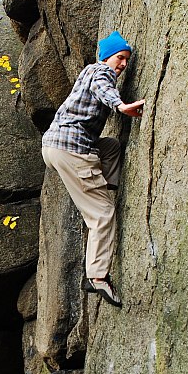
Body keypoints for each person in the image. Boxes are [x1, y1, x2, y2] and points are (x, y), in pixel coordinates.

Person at [42, 30, 145, 307]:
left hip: (54, 145)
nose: (122, 65)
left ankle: (105, 185)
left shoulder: (87, 72)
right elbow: (104, 87)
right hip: (72, 149)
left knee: (110, 146)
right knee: (102, 215)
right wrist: (121, 106)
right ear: (107, 56)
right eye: (120, 58)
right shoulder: (101, 72)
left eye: (126, 60)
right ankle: (97, 277)